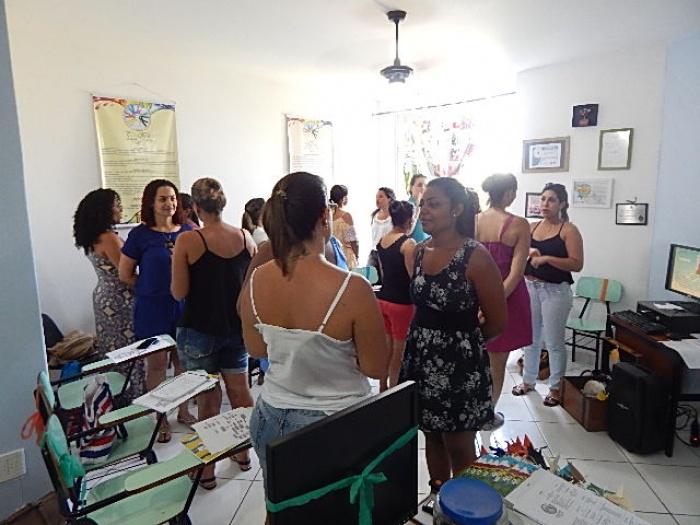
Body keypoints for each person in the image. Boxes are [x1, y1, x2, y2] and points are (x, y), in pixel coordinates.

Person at [239, 172, 388, 513]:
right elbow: (376, 367)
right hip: (332, 427)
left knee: (281, 510)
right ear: (324, 216)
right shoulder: (352, 288)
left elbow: (256, 350)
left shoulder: (258, 278)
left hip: (270, 418)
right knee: (332, 515)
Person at [398, 177, 506, 511]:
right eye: (423, 204)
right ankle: (438, 495)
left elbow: (497, 321)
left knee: (459, 443)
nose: (425, 211)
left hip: (459, 366)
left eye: (434, 204)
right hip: (421, 357)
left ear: (456, 209)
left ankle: (466, 507)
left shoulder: (475, 256)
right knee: (430, 433)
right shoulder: (418, 252)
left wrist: (462, 346)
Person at [171, 177, 256, 489]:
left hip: (200, 331)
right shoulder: (246, 237)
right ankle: (243, 454)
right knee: (240, 393)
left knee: (208, 400)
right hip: (236, 329)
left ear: (195, 207)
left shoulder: (188, 241)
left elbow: (179, 292)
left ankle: (207, 471)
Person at [118, 179, 197, 442]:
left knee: (183, 363)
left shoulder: (187, 231)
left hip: (183, 306)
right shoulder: (140, 235)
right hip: (152, 309)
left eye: (172, 198)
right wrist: (148, 286)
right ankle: (161, 418)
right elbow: (125, 273)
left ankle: (184, 412)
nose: (169, 204)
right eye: (162, 199)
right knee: (157, 365)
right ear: (151, 203)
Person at [511, 183, 583, 407]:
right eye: (543, 199)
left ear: (562, 204)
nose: (545, 204)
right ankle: (528, 380)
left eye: (551, 200)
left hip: (556, 291)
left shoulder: (568, 230)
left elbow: (577, 264)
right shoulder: (531, 227)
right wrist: (529, 251)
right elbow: (516, 252)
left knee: (553, 342)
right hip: (530, 287)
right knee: (530, 339)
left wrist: (547, 259)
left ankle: (555, 388)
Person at [73, 188, 145, 400]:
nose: (121, 209)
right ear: (104, 210)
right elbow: (126, 275)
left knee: (112, 349)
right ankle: (130, 398)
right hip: (119, 299)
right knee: (128, 351)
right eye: (117, 205)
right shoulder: (109, 238)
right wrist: (151, 288)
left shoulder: (94, 237)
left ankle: (114, 397)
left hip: (104, 297)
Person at [476, 173, 533, 428]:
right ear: (509, 193)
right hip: (506, 299)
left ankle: (473, 409)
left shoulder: (474, 220)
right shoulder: (519, 224)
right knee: (497, 361)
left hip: (476, 297)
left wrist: (481, 302)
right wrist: (494, 304)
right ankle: (487, 414)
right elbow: (516, 273)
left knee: (475, 359)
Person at [376, 200, 417, 391]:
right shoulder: (408, 244)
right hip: (401, 304)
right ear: (409, 220)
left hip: (383, 299)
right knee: (398, 353)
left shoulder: (382, 241)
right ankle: (394, 392)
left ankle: (382, 387)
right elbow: (413, 277)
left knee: (386, 348)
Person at [368, 187, 396, 280]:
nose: (377, 199)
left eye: (381, 197)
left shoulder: (394, 216)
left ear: (389, 199)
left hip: (388, 252)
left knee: (386, 279)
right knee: (369, 278)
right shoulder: (374, 215)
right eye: (376, 197)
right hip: (374, 251)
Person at [329, 184, 359, 269]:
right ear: (343, 198)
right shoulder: (346, 216)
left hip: (331, 260)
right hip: (346, 259)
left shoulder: (326, 215)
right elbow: (353, 241)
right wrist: (357, 256)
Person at [407, 174, 429, 242]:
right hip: (413, 245)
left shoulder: (428, 205)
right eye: (419, 185)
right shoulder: (406, 206)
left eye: (426, 185)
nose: (423, 188)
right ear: (411, 188)